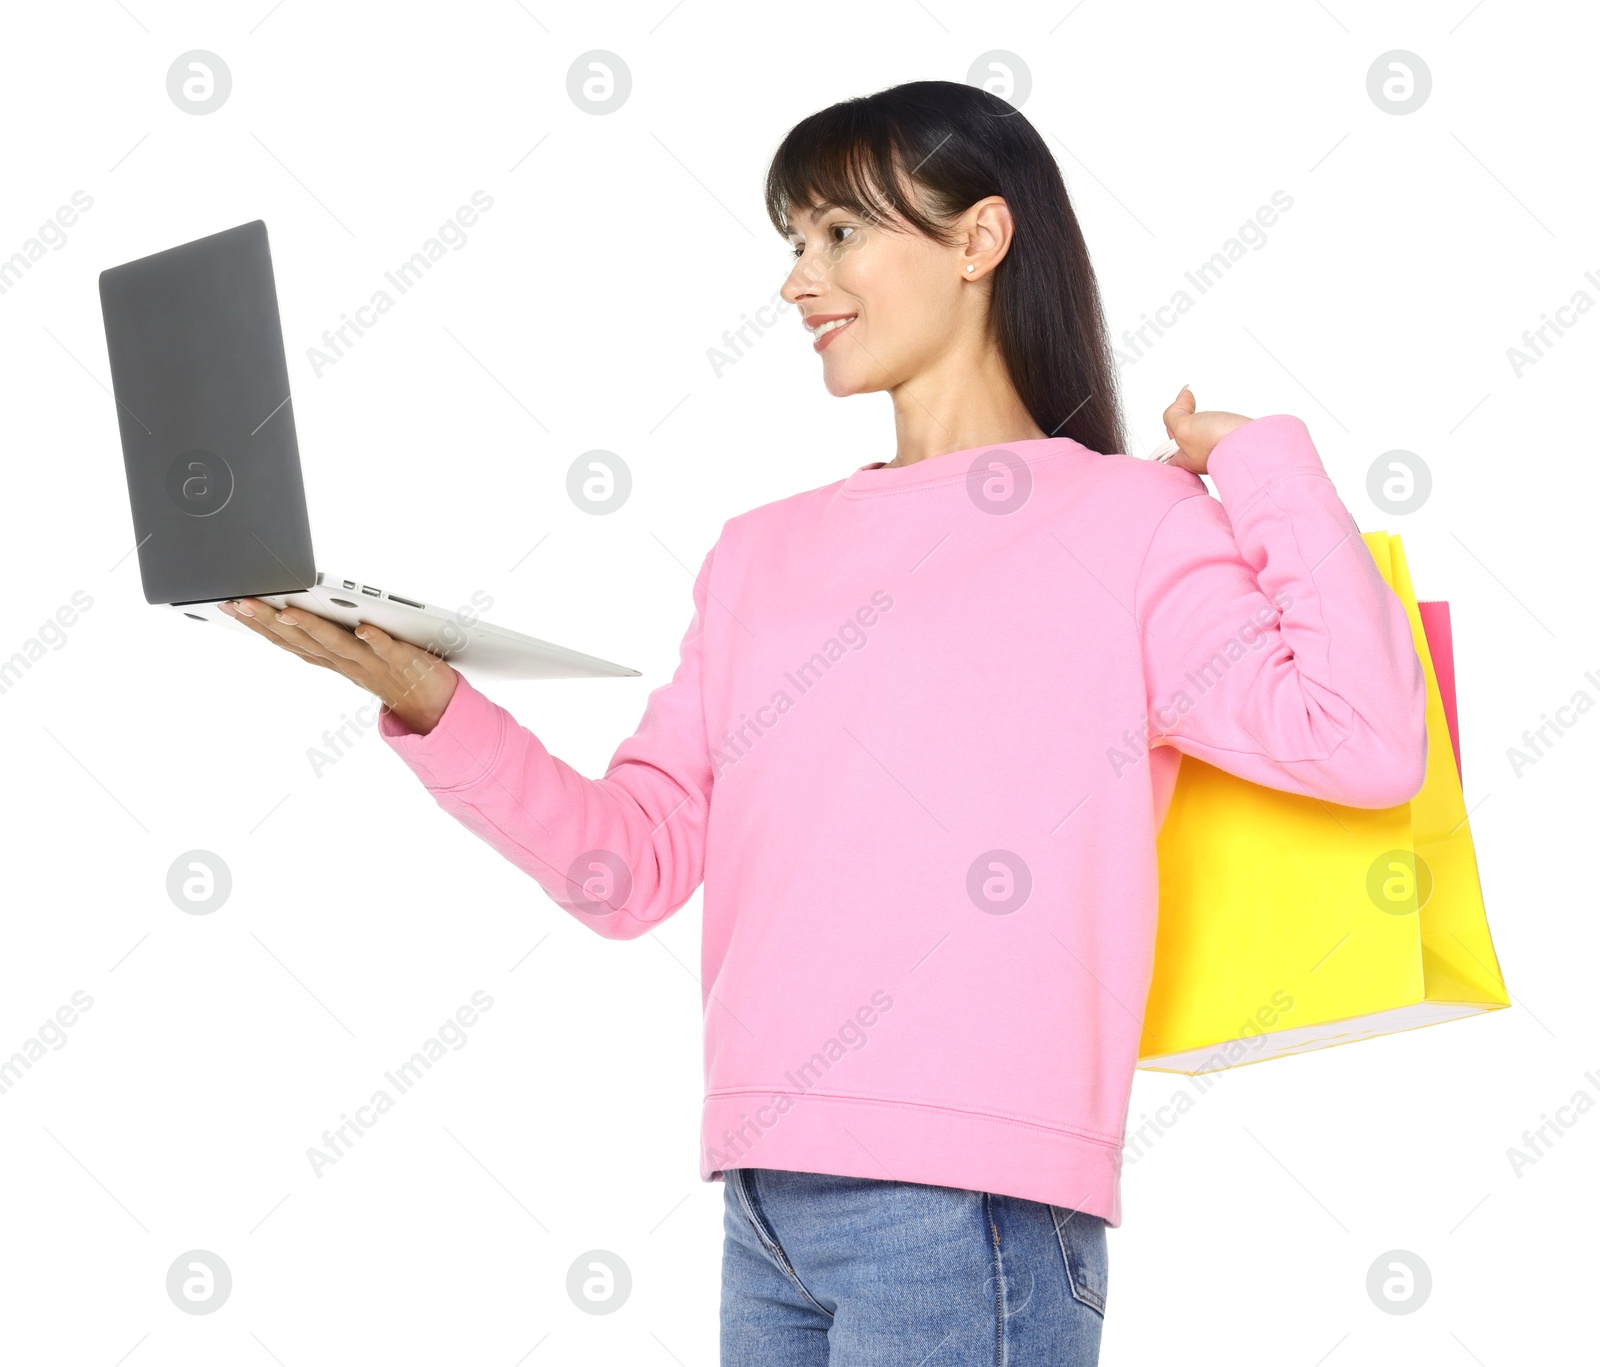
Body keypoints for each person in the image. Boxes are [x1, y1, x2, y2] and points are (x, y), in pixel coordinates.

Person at [219, 79, 1428, 1366]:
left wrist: (1261, 463)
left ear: (980, 240)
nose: (800, 279)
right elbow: (626, 869)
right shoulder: (760, 554)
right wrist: (430, 701)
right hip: (764, 1194)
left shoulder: (1129, 524)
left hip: (969, 1202)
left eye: (840, 233)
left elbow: (1358, 735)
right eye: (794, 241)